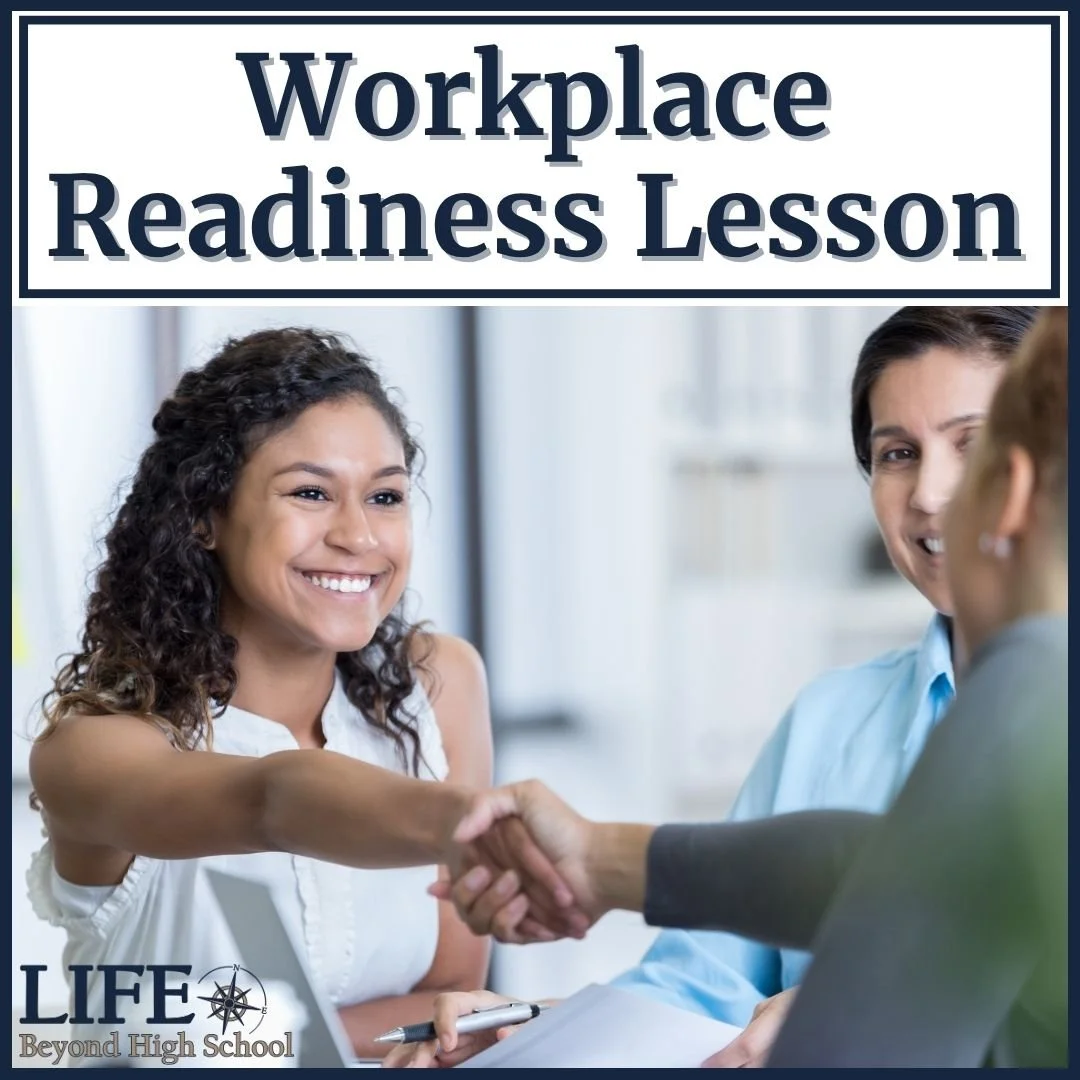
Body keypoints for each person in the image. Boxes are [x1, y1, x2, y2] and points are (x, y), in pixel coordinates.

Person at [394, 306, 1068, 1068]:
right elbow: (699, 990)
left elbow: (897, 878)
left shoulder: (1036, 697)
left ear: (1018, 479)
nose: (928, 494)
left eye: (971, 444)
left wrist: (603, 861)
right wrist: (546, 1023)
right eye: (896, 453)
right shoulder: (832, 717)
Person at [26, 327, 575, 1062]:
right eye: (311, 493)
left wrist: (438, 1025)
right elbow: (272, 798)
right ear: (204, 515)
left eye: (385, 496)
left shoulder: (437, 686)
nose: (358, 536)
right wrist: (479, 823)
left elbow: (445, 993)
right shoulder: (94, 750)